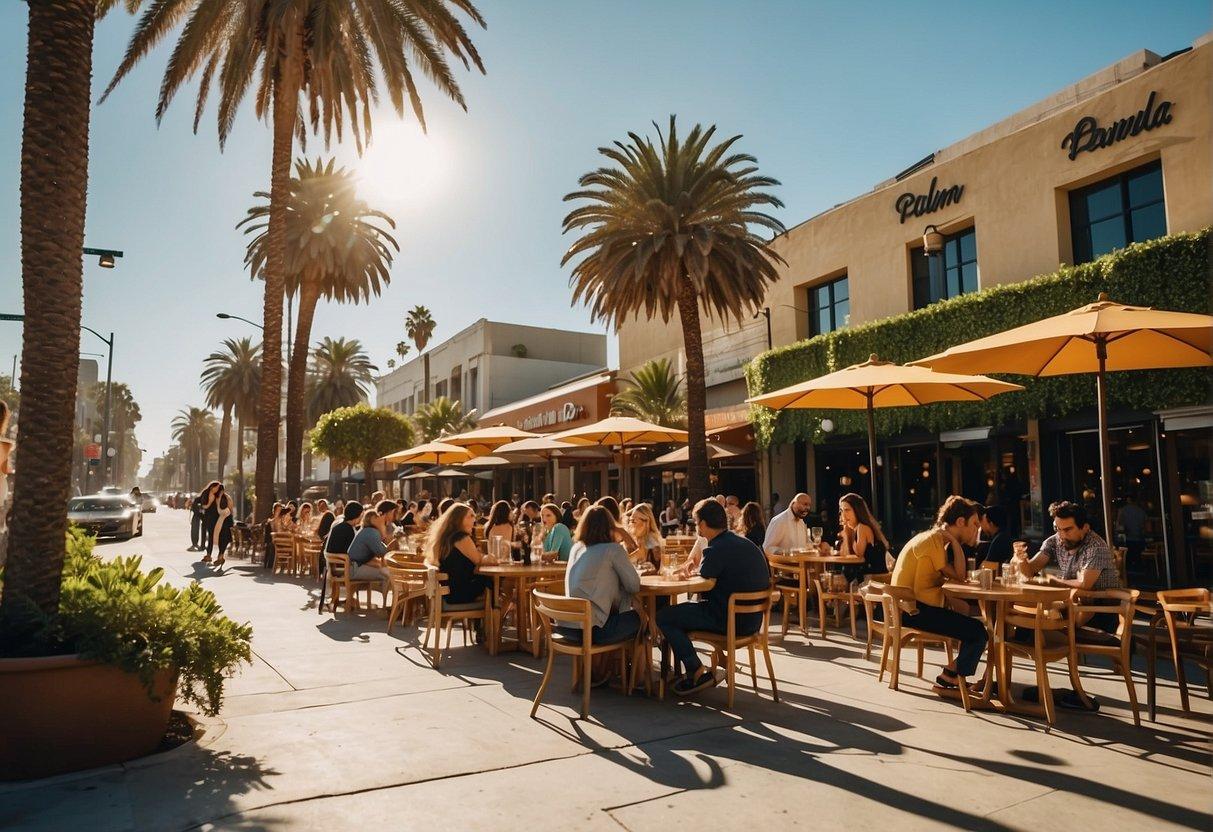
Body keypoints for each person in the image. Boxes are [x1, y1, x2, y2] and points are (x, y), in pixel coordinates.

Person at [657, 498, 772, 696]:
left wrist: (685, 575)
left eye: (696, 522)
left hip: (727, 620)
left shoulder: (714, 548)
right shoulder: (744, 543)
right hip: (753, 621)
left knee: (664, 616)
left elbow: (704, 585)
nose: (696, 527)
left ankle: (694, 669)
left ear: (702, 524)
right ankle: (687, 668)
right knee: (679, 614)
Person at [890, 495, 988, 691]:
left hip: (910, 608)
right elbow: (960, 576)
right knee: (978, 632)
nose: (978, 529)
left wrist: (952, 541)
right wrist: (955, 542)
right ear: (960, 522)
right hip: (914, 611)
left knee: (967, 614)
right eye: (975, 523)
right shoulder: (934, 540)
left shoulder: (933, 539)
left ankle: (957, 674)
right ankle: (950, 675)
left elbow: (956, 576)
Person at [561, 505, 643, 684]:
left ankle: (603, 671)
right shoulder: (613, 550)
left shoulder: (576, 548)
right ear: (610, 526)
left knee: (612, 613)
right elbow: (634, 585)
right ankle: (634, 677)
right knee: (642, 619)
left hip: (567, 627)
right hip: (592, 631)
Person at [1015, 500, 1122, 630]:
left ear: (1085, 528)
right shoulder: (1056, 540)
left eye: (1068, 529)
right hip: (1072, 605)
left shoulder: (1096, 546)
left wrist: (1052, 581)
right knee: (1022, 614)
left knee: (1040, 622)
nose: (1062, 535)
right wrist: (1021, 559)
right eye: (1058, 529)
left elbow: (1084, 584)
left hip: (1100, 612)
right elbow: (1031, 570)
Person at [425, 503, 493, 619]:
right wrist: (492, 558)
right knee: (496, 582)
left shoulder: (447, 537)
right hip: (458, 592)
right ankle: (492, 624)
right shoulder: (461, 538)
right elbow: (479, 560)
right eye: (470, 516)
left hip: (450, 591)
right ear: (459, 519)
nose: (474, 518)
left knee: (489, 582)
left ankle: (481, 627)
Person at [837, 493, 890, 575]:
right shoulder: (855, 529)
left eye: (847, 510)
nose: (843, 515)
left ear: (857, 510)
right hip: (867, 576)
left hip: (875, 579)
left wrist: (846, 534)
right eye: (842, 510)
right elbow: (845, 554)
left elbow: (859, 554)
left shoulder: (862, 527)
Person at [346, 508, 393, 592]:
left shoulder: (366, 530)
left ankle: (386, 596)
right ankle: (389, 602)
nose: (381, 520)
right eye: (377, 518)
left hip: (352, 567)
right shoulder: (372, 532)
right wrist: (388, 540)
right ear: (373, 520)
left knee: (386, 571)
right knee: (390, 574)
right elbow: (381, 553)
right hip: (355, 570)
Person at [1115, 494, 1149, 569]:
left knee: (1129, 559)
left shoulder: (1123, 510)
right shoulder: (1141, 511)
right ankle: (1139, 570)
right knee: (1138, 558)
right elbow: (1146, 526)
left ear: (1128, 500)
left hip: (1129, 539)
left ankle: (1132, 572)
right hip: (1139, 539)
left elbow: (1119, 525)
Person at [627, 503, 663, 570]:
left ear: (645, 522)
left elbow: (627, 561)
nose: (630, 524)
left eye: (633, 521)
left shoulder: (651, 539)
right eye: (630, 520)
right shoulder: (638, 538)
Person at [209, 490, 235, 568]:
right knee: (221, 539)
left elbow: (231, 510)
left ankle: (220, 556)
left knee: (225, 538)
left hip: (226, 521)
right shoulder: (216, 498)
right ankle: (221, 557)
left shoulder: (227, 498)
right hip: (219, 521)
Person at [198, 481, 221, 562]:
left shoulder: (217, 494)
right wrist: (210, 501)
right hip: (208, 518)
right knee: (210, 536)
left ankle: (215, 555)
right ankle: (208, 555)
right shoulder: (206, 493)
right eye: (216, 487)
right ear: (212, 487)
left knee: (215, 536)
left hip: (217, 518)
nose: (217, 489)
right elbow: (204, 506)